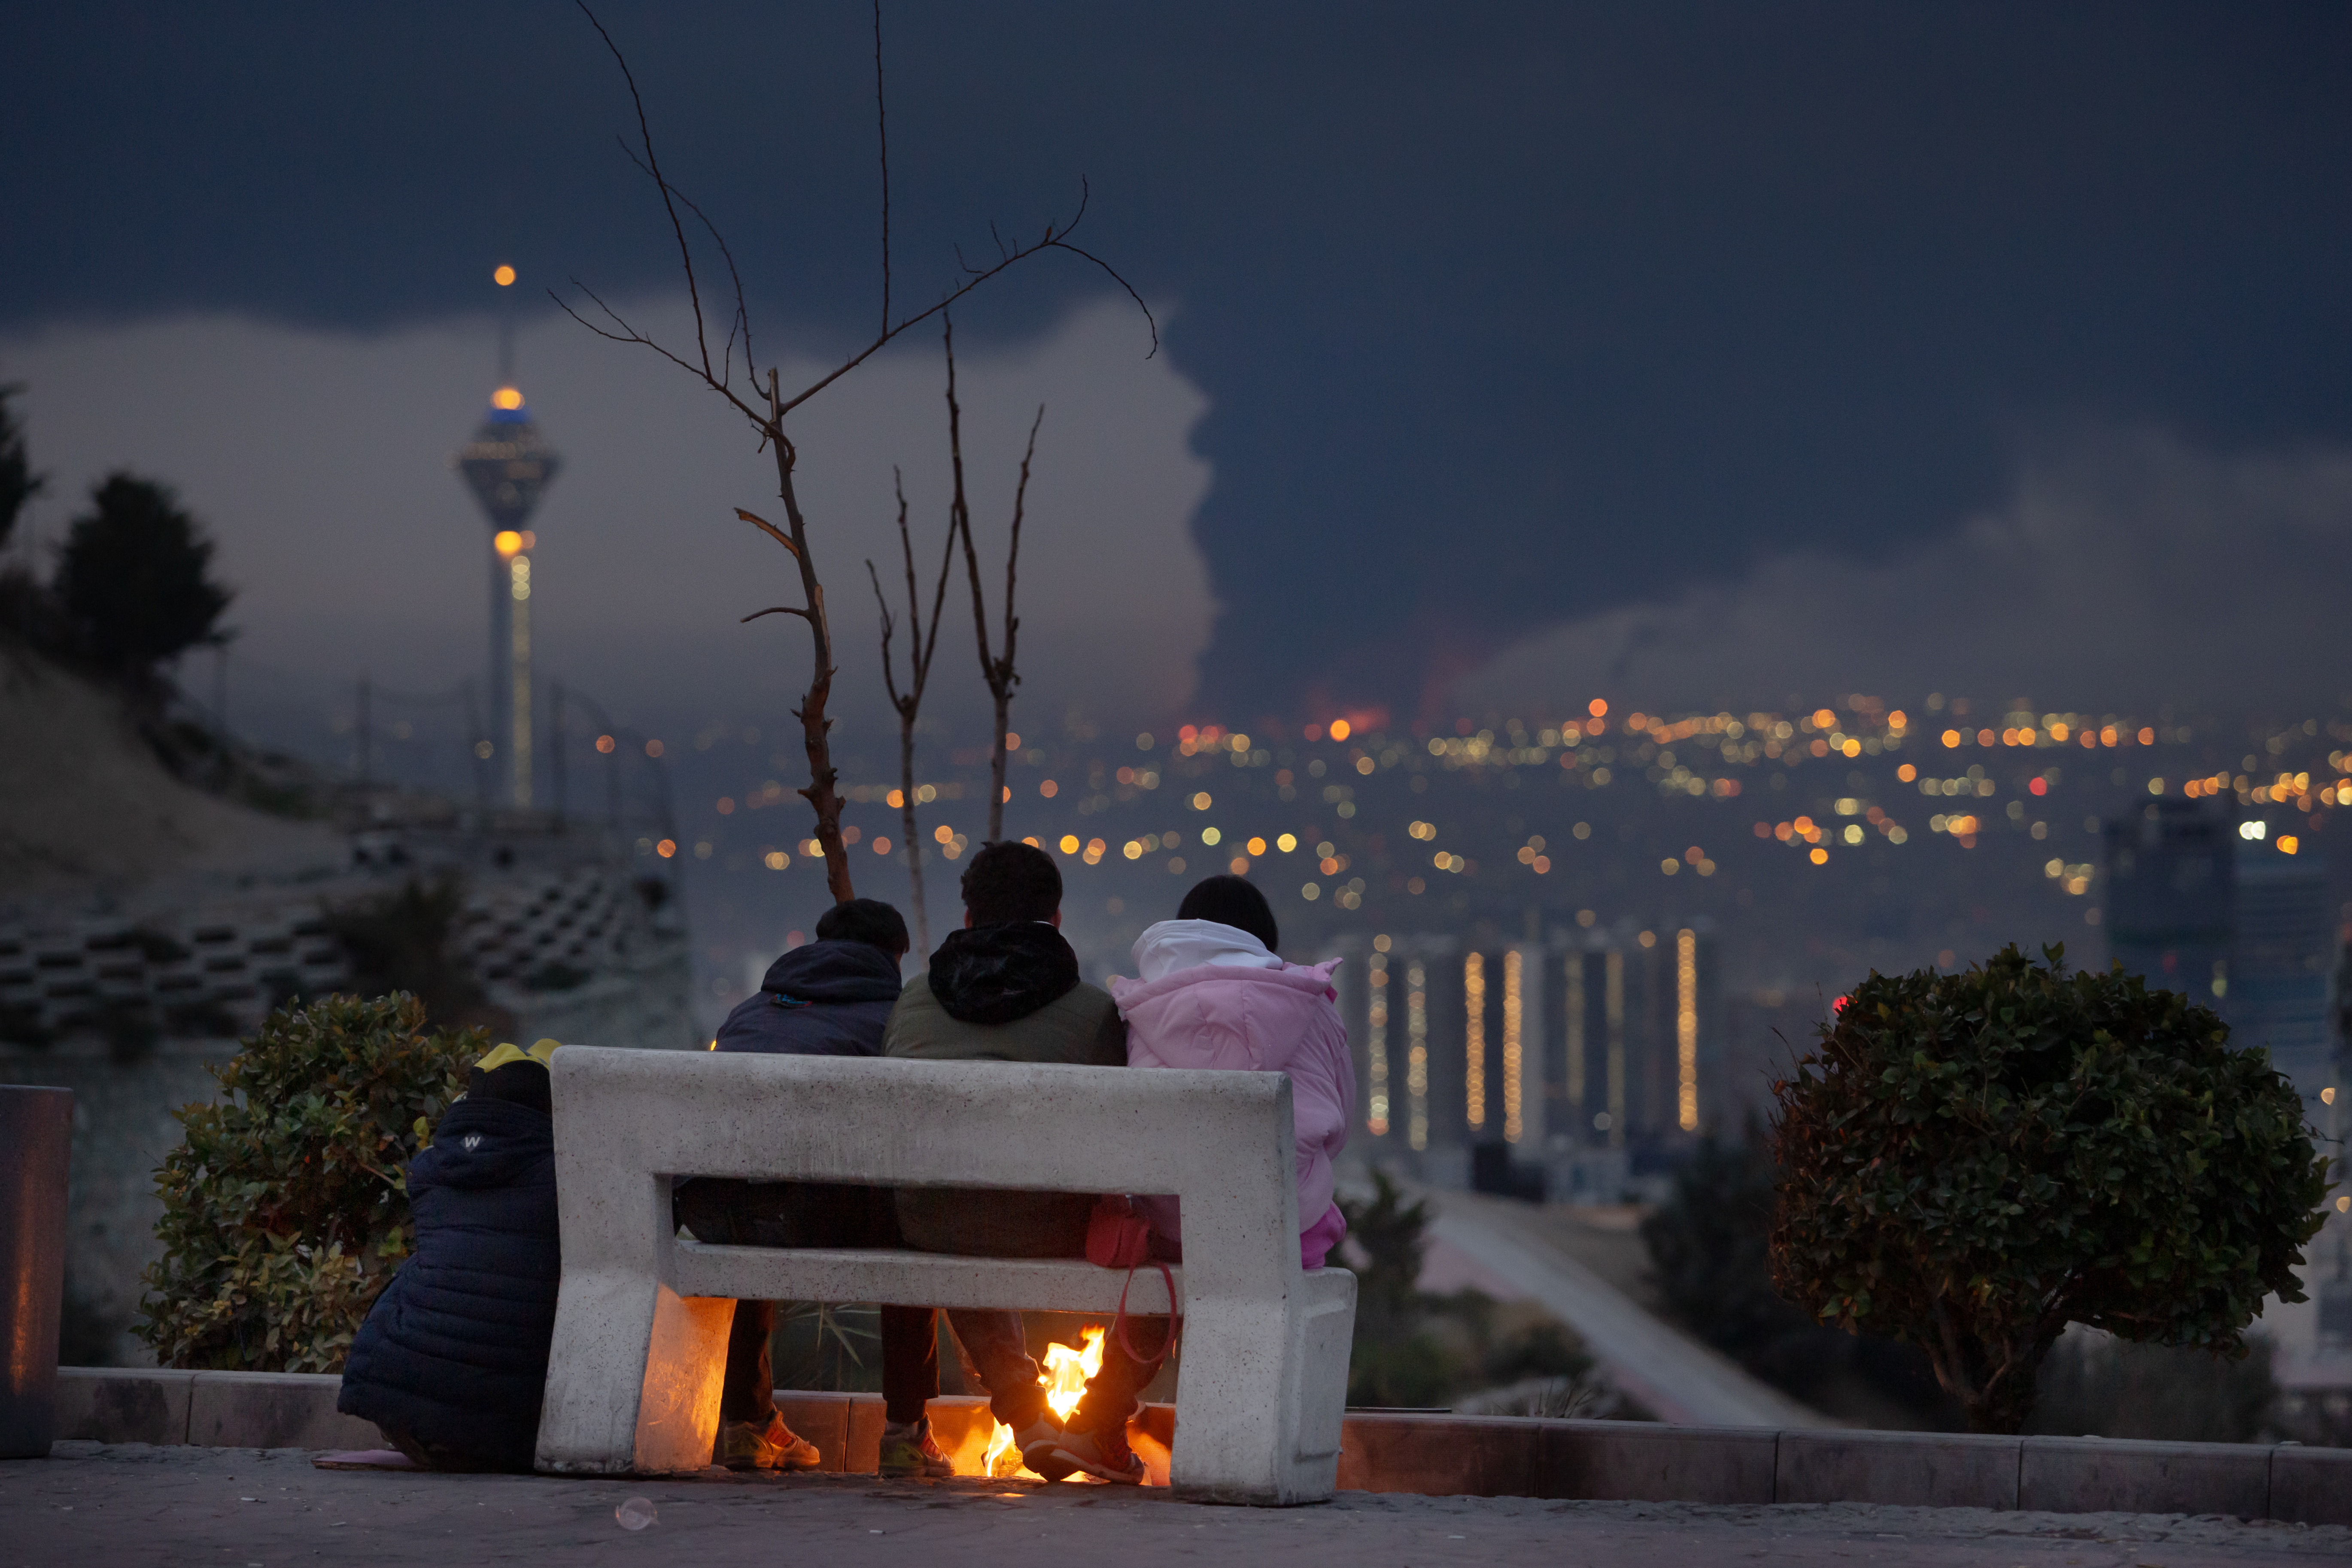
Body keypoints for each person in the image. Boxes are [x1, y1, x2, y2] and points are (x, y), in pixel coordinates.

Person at [884, 840, 1164, 1484]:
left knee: (959, 1215)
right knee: (1159, 1254)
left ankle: (1022, 1406)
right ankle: (1097, 1424)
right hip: (1046, 1222)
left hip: (932, 1221)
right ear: (1056, 920)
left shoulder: (914, 1003)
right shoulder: (1094, 1011)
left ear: (967, 918)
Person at [672, 896, 951, 1479]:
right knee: (910, 1224)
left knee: (758, 1210)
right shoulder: (894, 1020)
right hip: (813, 1215)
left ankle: (746, 1424)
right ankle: (905, 1432)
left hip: (715, 1212)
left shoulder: (749, 1013)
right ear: (893, 958)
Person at [338, 1038, 564, 1472]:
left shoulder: (429, 1172)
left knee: (429, 1268)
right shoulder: (564, 1176)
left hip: (402, 1410)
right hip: (507, 1423)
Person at [1108, 875, 1354, 1270]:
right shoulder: (1312, 1006)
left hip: (1175, 1232)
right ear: (1262, 936)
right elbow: (1340, 1123)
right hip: (1292, 1232)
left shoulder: (1141, 1009)